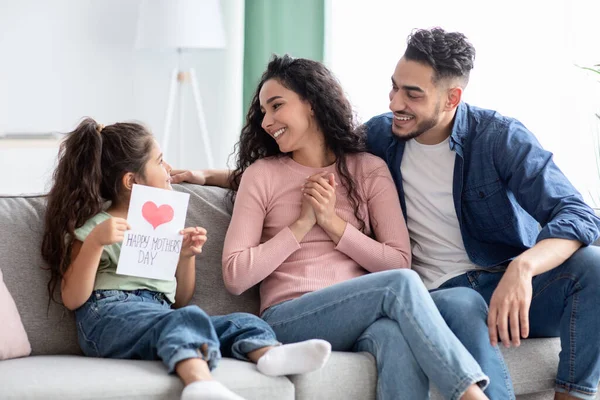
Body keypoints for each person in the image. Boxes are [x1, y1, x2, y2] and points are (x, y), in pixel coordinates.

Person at [208, 54, 493, 400]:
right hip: (288, 318)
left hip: (360, 315)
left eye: (276, 106)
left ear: (311, 103)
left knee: (393, 334)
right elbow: (235, 275)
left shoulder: (368, 170)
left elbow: (398, 261)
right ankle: (470, 394)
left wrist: (332, 224)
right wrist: (301, 225)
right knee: (399, 286)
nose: (267, 121)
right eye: (263, 112)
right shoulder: (262, 175)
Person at [363, 28, 600, 400]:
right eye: (394, 87)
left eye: (412, 94)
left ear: (451, 98)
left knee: (594, 265)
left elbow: (576, 213)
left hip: (507, 286)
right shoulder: (378, 138)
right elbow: (306, 166)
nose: (395, 103)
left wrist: (523, 268)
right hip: (439, 294)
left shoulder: (497, 137)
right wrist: (235, 177)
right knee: (463, 302)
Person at [40, 118, 332, 400]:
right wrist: (95, 243)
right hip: (107, 316)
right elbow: (73, 298)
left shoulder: (166, 227)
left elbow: (180, 300)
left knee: (241, 321)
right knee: (184, 321)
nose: (168, 168)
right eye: (159, 161)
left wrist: (185, 257)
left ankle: (270, 354)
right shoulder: (96, 228)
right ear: (131, 181)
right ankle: (199, 383)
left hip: (160, 312)